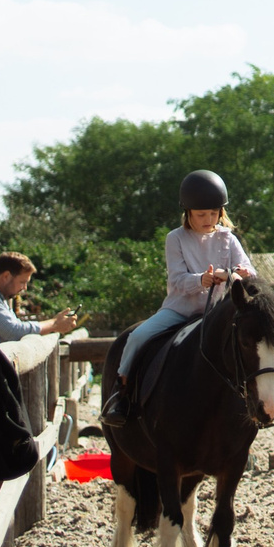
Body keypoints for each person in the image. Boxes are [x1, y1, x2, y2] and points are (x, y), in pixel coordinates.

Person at [104, 170, 253, 421]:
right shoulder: (176, 238)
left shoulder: (229, 239)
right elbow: (176, 279)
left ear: (221, 212)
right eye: (201, 214)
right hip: (179, 310)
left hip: (217, 313)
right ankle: (122, 394)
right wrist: (202, 279)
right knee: (138, 337)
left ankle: (256, 399)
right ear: (188, 213)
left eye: (213, 213)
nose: (208, 219)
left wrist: (233, 274)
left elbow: (249, 273)